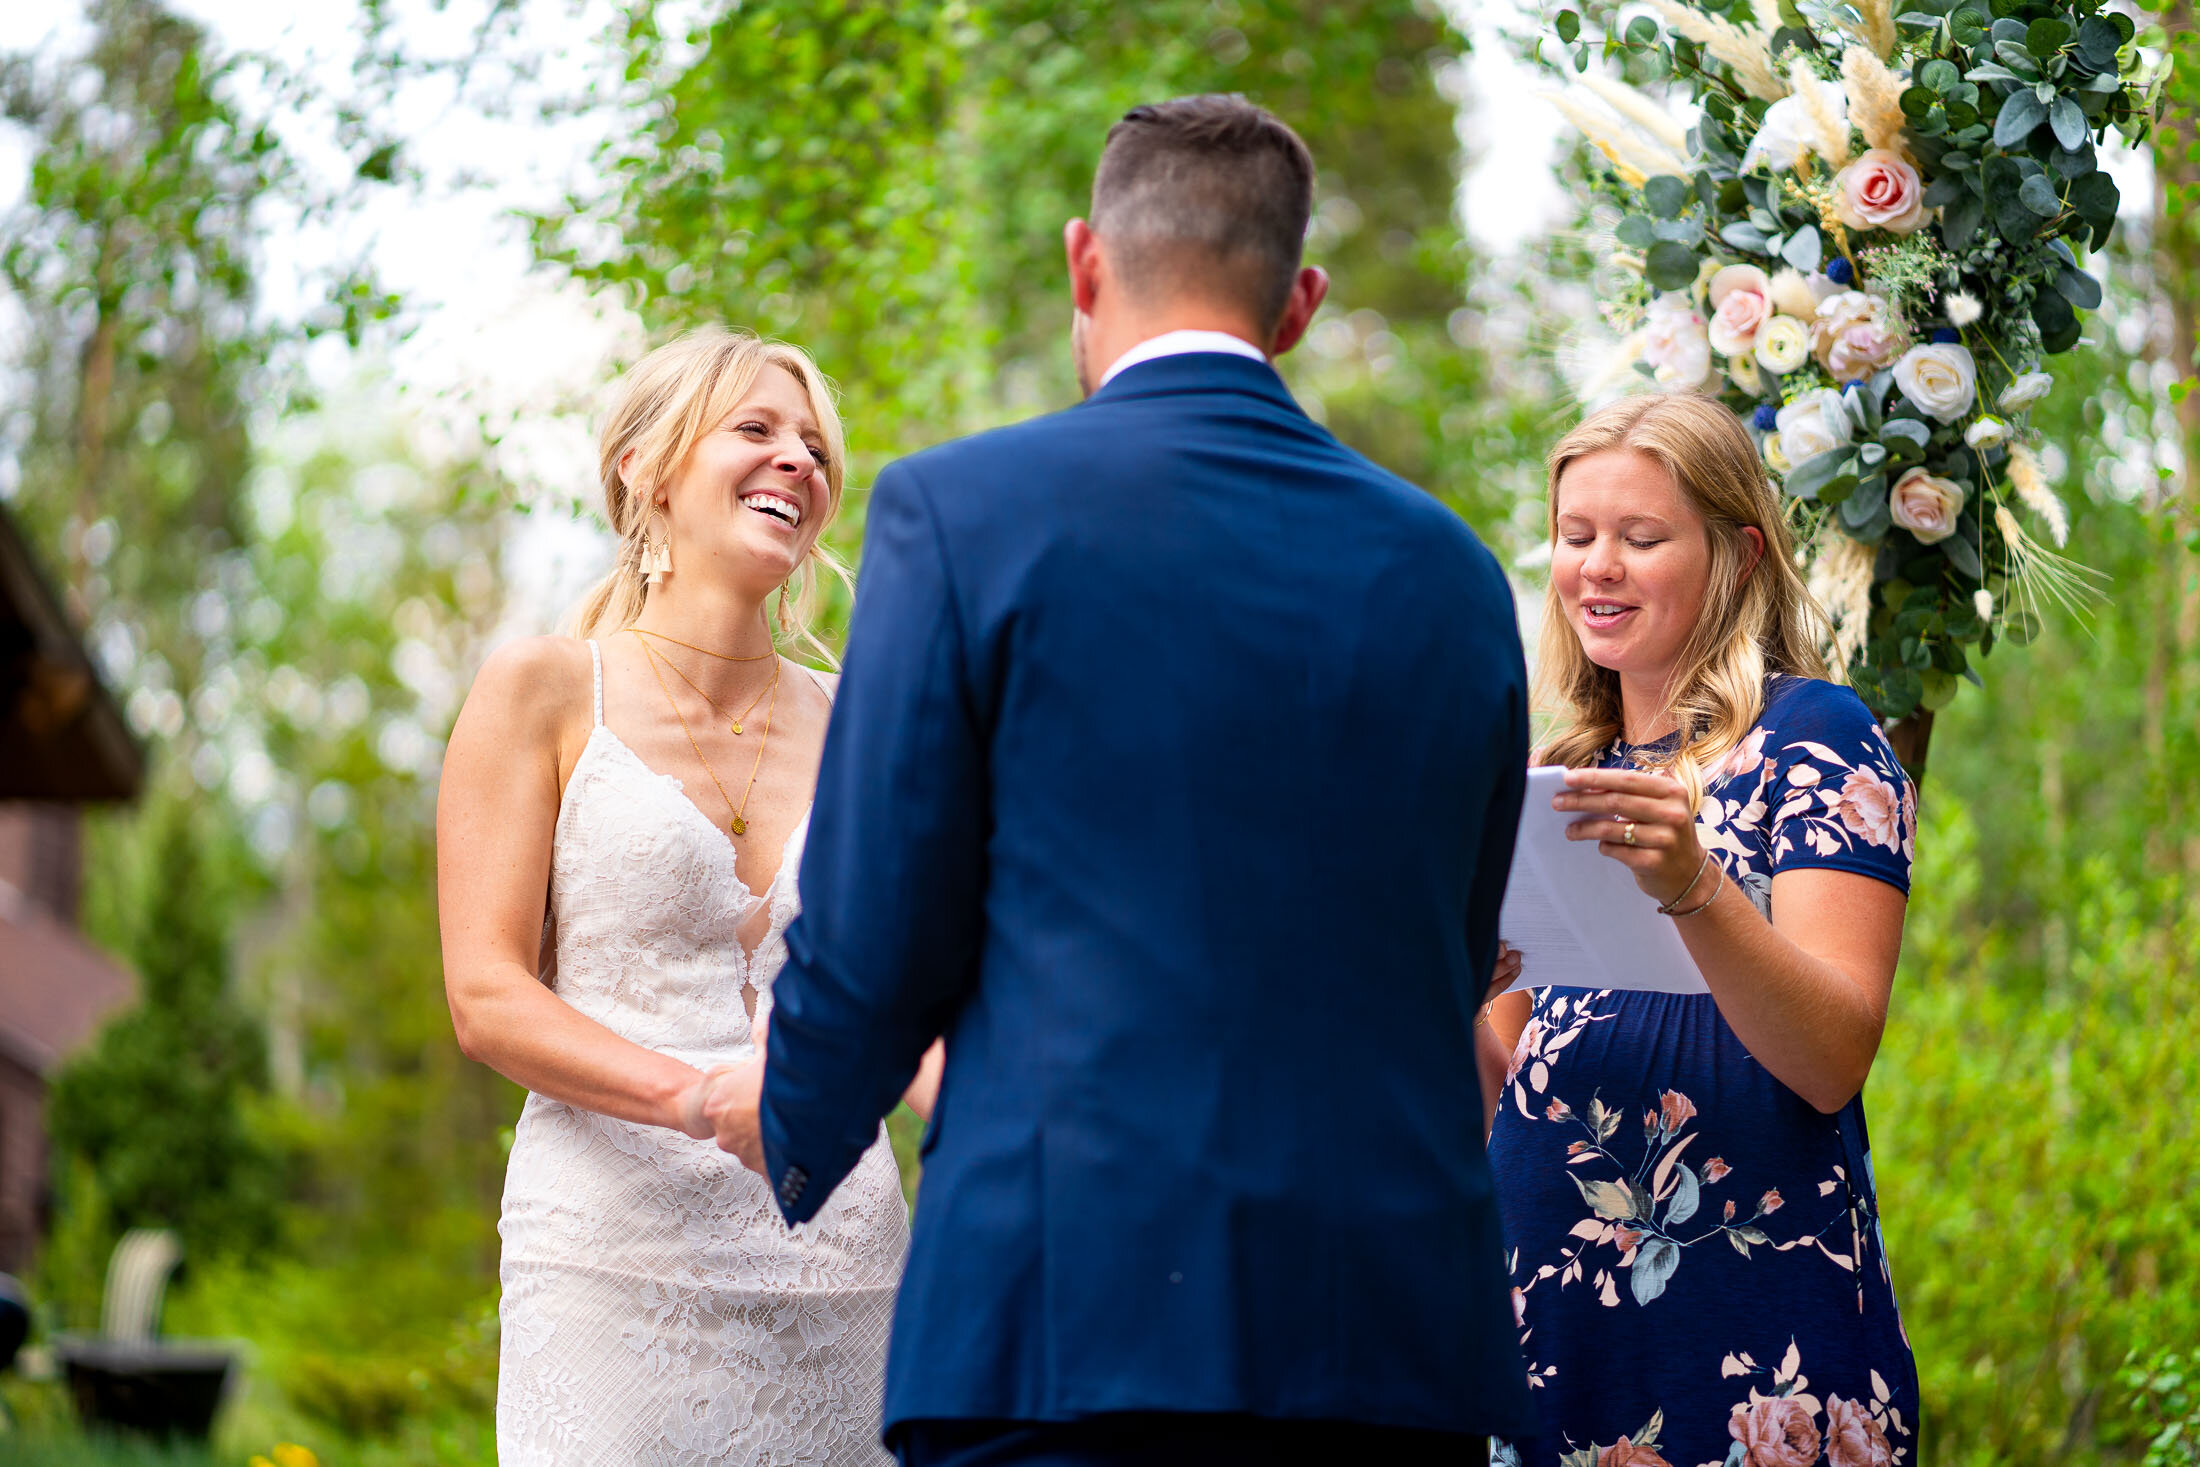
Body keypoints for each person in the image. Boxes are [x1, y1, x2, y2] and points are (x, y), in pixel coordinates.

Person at [688, 95, 1538, 1465]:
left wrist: (796, 1118)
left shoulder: (961, 514)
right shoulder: (1451, 573)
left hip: (1065, 1328)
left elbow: (875, 920)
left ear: (1087, 262)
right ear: (1300, 302)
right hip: (1387, 1346)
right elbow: (1455, 943)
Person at [436, 328, 939, 1466]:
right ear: (647, 469)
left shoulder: (866, 717)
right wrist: (702, 1099)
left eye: (813, 446)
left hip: (843, 1258)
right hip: (610, 1257)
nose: (797, 461)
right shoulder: (543, 690)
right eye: (755, 431)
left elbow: (908, 985)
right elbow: (486, 996)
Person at [1482, 393, 1920, 1465]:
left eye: (1639, 538)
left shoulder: (1813, 735)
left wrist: (1693, 884)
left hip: (1747, 1338)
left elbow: (1830, 1058)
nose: (1597, 567)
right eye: (1576, 536)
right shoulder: (1550, 775)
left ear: (1735, 553)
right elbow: (1502, 1080)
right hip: (1549, 1330)